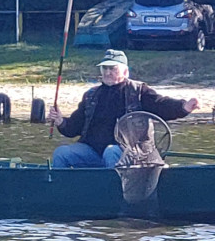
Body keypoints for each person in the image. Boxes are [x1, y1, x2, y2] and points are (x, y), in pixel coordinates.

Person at [47, 49, 200, 168]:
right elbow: (74, 127)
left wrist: (184, 106)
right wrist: (61, 121)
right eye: (105, 68)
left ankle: (113, 194)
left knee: (111, 152)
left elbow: (161, 105)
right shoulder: (91, 95)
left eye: (113, 68)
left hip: (132, 153)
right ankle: (61, 191)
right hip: (93, 152)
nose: (108, 72)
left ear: (125, 71)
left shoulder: (139, 91)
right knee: (61, 153)